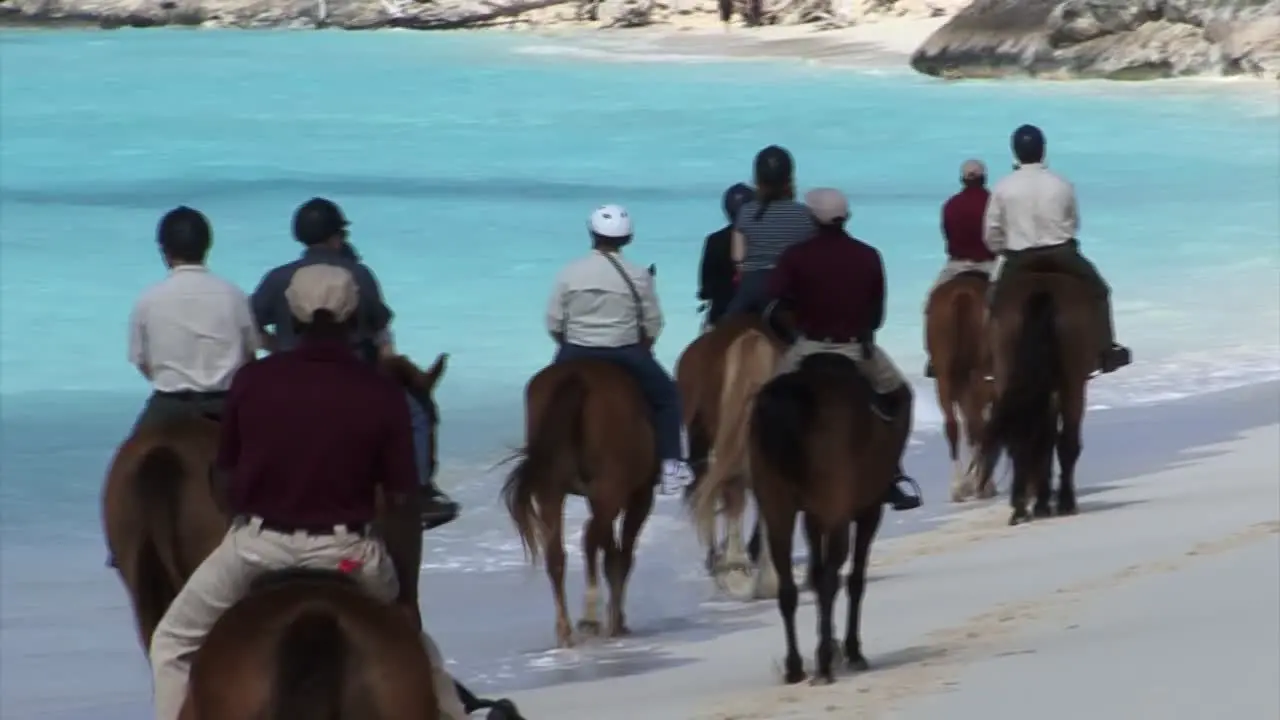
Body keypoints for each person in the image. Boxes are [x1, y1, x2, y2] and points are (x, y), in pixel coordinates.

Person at [148, 264, 470, 720]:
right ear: (354, 320)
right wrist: (408, 596)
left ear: (290, 319)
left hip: (260, 547)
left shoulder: (252, 381)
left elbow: (224, 480)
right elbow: (401, 504)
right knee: (430, 670)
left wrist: (243, 517)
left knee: (172, 644)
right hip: (349, 552)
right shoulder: (381, 394)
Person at [249, 197, 459, 527]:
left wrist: (277, 349)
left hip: (290, 374)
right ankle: (418, 494)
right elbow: (379, 331)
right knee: (416, 415)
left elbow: (251, 325)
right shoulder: (358, 275)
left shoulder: (277, 278)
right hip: (352, 374)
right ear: (336, 237)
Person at [766, 188, 922, 511]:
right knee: (901, 397)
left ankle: (769, 474)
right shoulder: (868, 255)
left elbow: (776, 306)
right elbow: (877, 316)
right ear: (846, 218)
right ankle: (891, 474)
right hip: (854, 350)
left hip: (808, 348)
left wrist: (794, 331)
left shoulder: (795, 256)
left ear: (812, 219)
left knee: (766, 401)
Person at [546, 204, 694, 495]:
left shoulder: (569, 273)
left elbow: (554, 321)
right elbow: (653, 323)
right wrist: (645, 343)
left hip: (575, 350)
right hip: (624, 352)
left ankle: (541, 455)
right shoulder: (638, 276)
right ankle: (671, 465)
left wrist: (569, 343)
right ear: (627, 239)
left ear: (592, 234)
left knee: (545, 394)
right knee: (668, 398)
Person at [985, 125, 1130, 374]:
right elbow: (1073, 224)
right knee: (1100, 291)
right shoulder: (1061, 183)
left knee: (993, 302)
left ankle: (989, 360)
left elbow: (991, 233)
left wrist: (1004, 249)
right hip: (1061, 255)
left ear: (1015, 152)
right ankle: (1105, 350)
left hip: (1020, 259)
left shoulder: (1003, 187)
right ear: (1043, 151)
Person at [127, 206, 259, 433]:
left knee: (128, 460)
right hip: (225, 406)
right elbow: (249, 358)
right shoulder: (234, 295)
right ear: (207, 246)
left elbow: (142, 363)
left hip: (168, 406)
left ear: (164, 251)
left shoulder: (148, 300)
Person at [924, 159, 997, 377]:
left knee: (930, 304)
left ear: (962, 179)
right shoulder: (994, 203)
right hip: (991, 264)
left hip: (957, 265)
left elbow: (948, 236)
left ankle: (934, 359)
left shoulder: (950, 205)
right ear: (984, 178)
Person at [723, 145, 815, 318]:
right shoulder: (805, 214)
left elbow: (737, 258)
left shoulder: (746, 211)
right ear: (789, 178)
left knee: (722, 332)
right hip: (791, 288)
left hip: (752, 288)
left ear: (757, 179)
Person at [698, 182, 755, 329]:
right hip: (759, 313)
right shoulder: (765, 238)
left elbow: (706, 289)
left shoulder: (714, 241)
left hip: (722, 316)